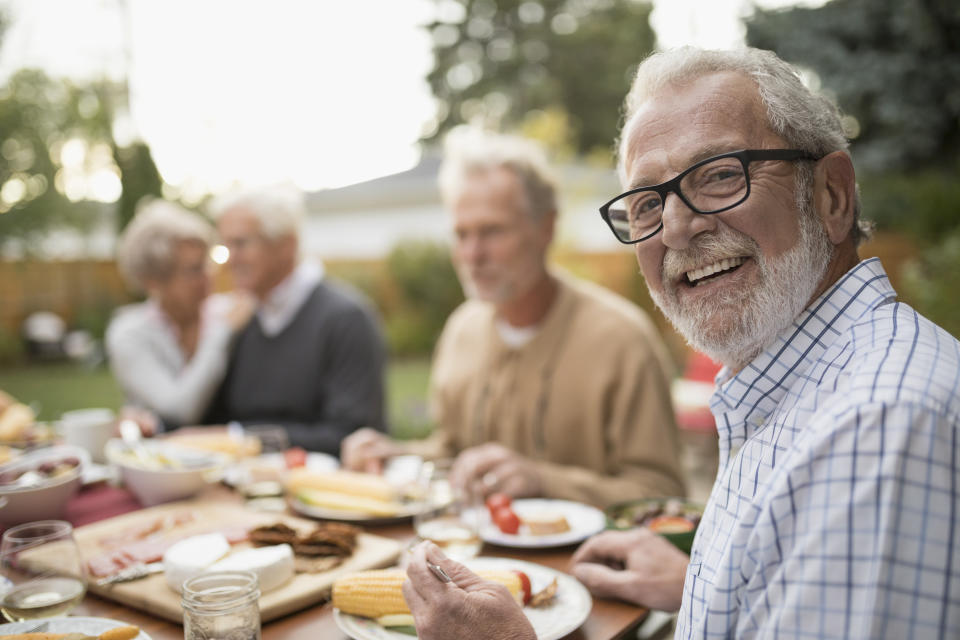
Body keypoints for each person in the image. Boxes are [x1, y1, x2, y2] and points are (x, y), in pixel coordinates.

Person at [404, 47, 960, 639]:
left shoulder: (875, 428)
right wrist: (703, 578)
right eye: (647, 202)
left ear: (832, 195)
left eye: (721, 174)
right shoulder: (805, 387)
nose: (675, 228)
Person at [342, 130, 685, 508]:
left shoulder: (622, 339)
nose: (472, 254)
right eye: (461, 234)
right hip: (470, 558)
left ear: (546, 228)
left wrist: (544, 480)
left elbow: (663, 493)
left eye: (491, 231)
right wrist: (395, 454)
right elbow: (453, 450)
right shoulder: (461, 330)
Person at [203, 186, 387, 455]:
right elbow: (214, 418)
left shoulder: (345, 319)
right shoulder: (241, 320)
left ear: (286, 246)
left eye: (241, 244)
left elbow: (351, 434)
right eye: (225, 245)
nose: (230, 259)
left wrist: (242, 438)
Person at [106, 200, 255, 430]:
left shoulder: (225, 311)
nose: (209, 276)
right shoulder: (129, 334)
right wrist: (222, 334)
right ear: (153, 281)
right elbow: (180, 410)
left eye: (207, 263)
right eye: (194, 270)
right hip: (156, 459)